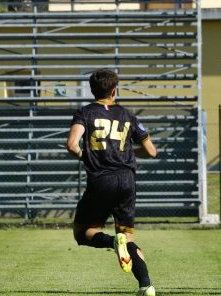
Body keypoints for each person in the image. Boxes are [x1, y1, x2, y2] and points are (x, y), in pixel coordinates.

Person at [66, 69, 157, 296]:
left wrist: (86, 155)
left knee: (83, 232)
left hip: (101, 179)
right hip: (127, 180)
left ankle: (111, 242)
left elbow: (72, 144)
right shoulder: (129, 115)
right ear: (115, 90)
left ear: (92, 90)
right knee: (128, 238)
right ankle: (146, 286)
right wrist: (124, 152)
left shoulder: (84, 113)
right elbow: (151, 151)